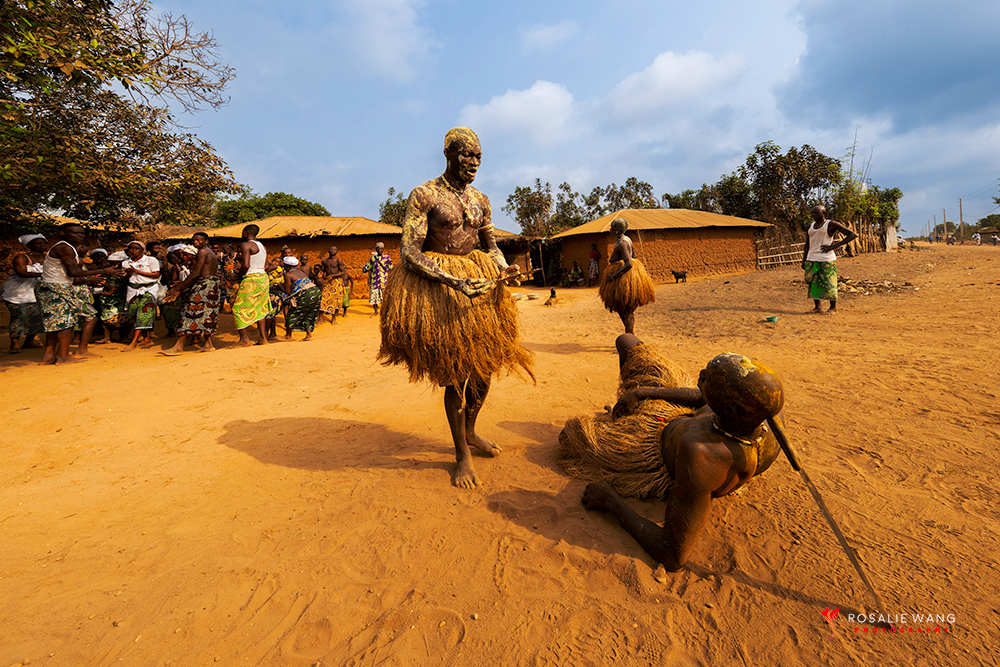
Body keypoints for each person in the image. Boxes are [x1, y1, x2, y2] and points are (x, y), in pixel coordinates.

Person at [378, 127, 534, 489]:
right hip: (441, 291)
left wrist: (503, 268)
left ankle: (472, 431)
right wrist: (451, 280)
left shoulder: (481, 199)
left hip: (478, 287)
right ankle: (462, 454)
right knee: (457, 370)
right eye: (466, 155)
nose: (473, 162)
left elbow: (490, 246)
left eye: (478, 156)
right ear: (448, 154)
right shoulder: (425, 195)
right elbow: (409, 252)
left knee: (484, 367)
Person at [560, 333, 785, 570]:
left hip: (648, 450)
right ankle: (625, 407)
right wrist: (641, 392)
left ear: (730, 409)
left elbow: (673, 555)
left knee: (570, 436)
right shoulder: (757, 413)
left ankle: (618, 422)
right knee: (626, 341)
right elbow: (700, 398)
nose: (701, 374)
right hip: (674, 414)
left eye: (709, 379)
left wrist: (610, 501)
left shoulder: (703, 456)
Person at [33, 223, 123, 364]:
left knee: (55, 324)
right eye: (75, 233)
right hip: (56, 287)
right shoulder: (65, 248)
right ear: (63, 233)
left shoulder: (67, 248)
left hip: (53, 287)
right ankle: (63, 357)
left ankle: (48, 357)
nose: (80, 236)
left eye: (82, 233)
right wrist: (104, 271)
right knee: (65, 323)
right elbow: (73, 272)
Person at [161, 233, 222, 355]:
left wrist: (178, 288)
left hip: (204, 286)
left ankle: (178, 347)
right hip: (211, 286)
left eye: (198, 240)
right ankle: (208, 344)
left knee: (188, 313)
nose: (195, 242)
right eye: (194, 240)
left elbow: (195, 273)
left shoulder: (203, 252)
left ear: (206, 241)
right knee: (207, 315)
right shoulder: (209, 252)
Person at [599, 217, 655, 334]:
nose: (610, 229)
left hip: (623, 278)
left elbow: (629, 263)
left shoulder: (622, 243)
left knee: (627, 309)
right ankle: (630, 335)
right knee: (622, 308)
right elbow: (634, 256)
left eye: (612, 227)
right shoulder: (627, 239)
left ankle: (630, 336)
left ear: (618, 230)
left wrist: (613, 276)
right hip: (626, 276)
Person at [801, 204, 857, 314]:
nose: (813, 215)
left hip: (826, 259)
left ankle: (833, 308)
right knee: (813, 283)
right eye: (812, 213)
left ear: (823, 213)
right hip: (812, 258)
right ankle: (818, 307)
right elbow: (807, 244)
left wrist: (833, 246)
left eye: (816, 212)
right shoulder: (809, 226)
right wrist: (804, 259)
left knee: (829, 283)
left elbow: (852, 234)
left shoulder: (831, 224)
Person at [2, 234, 47, 353]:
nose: (42, 245)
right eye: (38, 243)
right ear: (30, 245)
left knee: (36, 317)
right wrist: (44, 275)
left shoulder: (48, 258)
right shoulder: (21, 258)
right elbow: (21, 272)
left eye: (43, 243)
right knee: (18, 317)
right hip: (17, 294)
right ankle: (14, 345)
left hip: (35, 294)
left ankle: (29, 342)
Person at [232, 224, 271, 346]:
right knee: (260, 308)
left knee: (237, 308)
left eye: (243, 232)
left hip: (251, 279)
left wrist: (238, 276)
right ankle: (263, 338)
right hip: (263, 278)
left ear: (247, 231)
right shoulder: (262, 246)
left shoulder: (246, 245)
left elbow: (246, 265)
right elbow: (266, 265)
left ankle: (244, 340)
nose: (241, 234)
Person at [121, 240, 161, 351]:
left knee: (144, 313)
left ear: (143, 250)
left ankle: (134, 342)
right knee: (133, 312)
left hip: (148, 288)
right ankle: (146, 338)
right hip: (133, 289)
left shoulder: (151, 260)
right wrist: (128, 274)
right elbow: (124, 279)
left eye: (136, 248)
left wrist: (137, 271)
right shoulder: (125, 263)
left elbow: (156, 274)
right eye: (131, 248)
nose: (134, 251)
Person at [280, 256, 322, 340]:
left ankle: (288, 336)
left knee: (292, 313)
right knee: (309, 313)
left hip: (306, 293)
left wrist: (278, 287)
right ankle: (308, 335)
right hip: (316, 291)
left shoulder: (288, 275)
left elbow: (288, 291)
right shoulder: (300, 272)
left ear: (287, 266)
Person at [96, 250, 131, 343]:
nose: (115, 265)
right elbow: (99, 278)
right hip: (108, 297)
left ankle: (124, 337)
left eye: (116, 263)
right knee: (106, 317)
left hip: (123, 296)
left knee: (125, 317)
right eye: (112, 263)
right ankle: (107, 337)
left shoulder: (126, 271)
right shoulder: (106, 270)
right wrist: (109, 286)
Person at [362, 241, 393, 315]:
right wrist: (369, 279)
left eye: (381, 248)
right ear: (376, 249)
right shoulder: (373, 258)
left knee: (385, 296)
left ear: (383, 249)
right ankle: (375, 311)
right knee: (374, 296)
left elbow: (391, 268)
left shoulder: (387, 258)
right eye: (378, 248)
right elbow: (370, 269)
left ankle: (384, 311)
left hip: (384, 280)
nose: (380, 250)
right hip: (374, 280)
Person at [320, 246, 348, 322]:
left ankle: (334, 318)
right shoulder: (324, 261)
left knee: (336, 300)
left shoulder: (338, 261)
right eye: (331, 249)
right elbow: (322, 271)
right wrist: (324, 277)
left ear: (337, 252)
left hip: (336, 282)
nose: (332, 250)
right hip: (327, 282)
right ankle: (320, 319)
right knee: (323, 299)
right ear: (328, 251)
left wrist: (333, 276)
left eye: (334, 249)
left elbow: (343, 272)